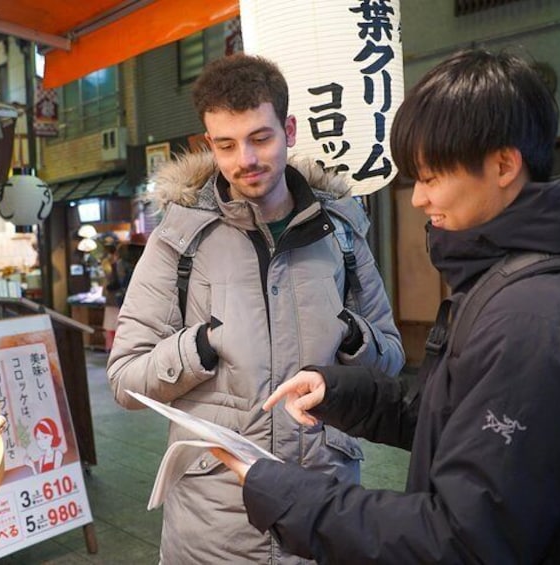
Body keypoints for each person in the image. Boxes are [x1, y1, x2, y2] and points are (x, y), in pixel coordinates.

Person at [212, 48, 560, 564]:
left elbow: (464, 540)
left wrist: (285, 494)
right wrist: (343, 392)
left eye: (432, 177)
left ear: (504, 164)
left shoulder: (539, 317)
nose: (417, 199)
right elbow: (461, 418)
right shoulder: (516, 277)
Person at [107, 53, 404, 563]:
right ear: (208, 143)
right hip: (213, 523)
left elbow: (393, 358)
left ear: (288, 129)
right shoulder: (179, 240)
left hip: (322, 508)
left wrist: (354, 339)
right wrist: (197, 346)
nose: (245, 158)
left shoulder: (343, 234)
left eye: (260, 138)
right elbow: (125, 379)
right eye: (226, 144)